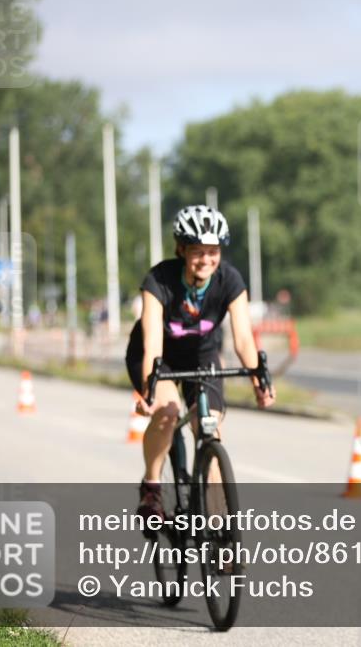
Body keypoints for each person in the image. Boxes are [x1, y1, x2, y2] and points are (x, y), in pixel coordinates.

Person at [126, 205, 275, 519]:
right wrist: (148, 393)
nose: (206, 259)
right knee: (167, 413)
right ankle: (151, 489)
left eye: (213, 251)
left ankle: (217, 521)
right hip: (159, 358)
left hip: (202, 356)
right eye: (197, 251)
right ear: (181, 249)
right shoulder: (159, 279)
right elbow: (152, 342)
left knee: (209, 427)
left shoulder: (230, 280)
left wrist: (258, 382)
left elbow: (243, 339)